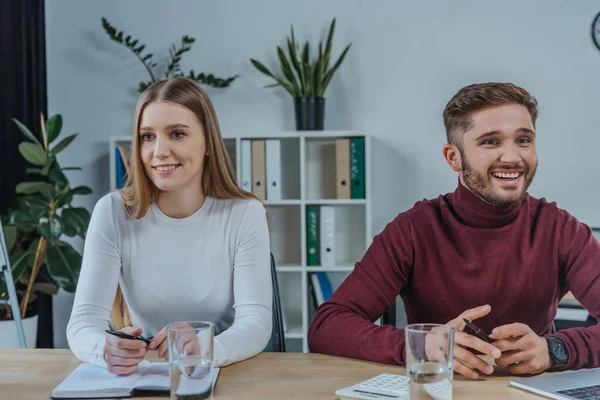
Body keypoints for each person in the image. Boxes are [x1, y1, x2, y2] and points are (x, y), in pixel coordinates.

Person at [307, 82, 600, 379]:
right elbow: (327, 325)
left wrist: (554, 350)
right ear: (453, 158)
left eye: (523, 140)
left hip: (527, 393)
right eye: (490, 142)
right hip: (438, 389)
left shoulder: (561, 230)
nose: (512, 157)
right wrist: (423, 345)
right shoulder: (413, 229)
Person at [67, 77, 272, 375]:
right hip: (146, 374)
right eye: (147, 137)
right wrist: (104, 350)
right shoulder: (112, 212)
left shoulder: (245, 213)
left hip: (226, 372)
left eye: (177, 134)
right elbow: (83, 322)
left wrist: (207, 348)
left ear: (207, 143)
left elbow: (257, 324)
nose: (159, 151)